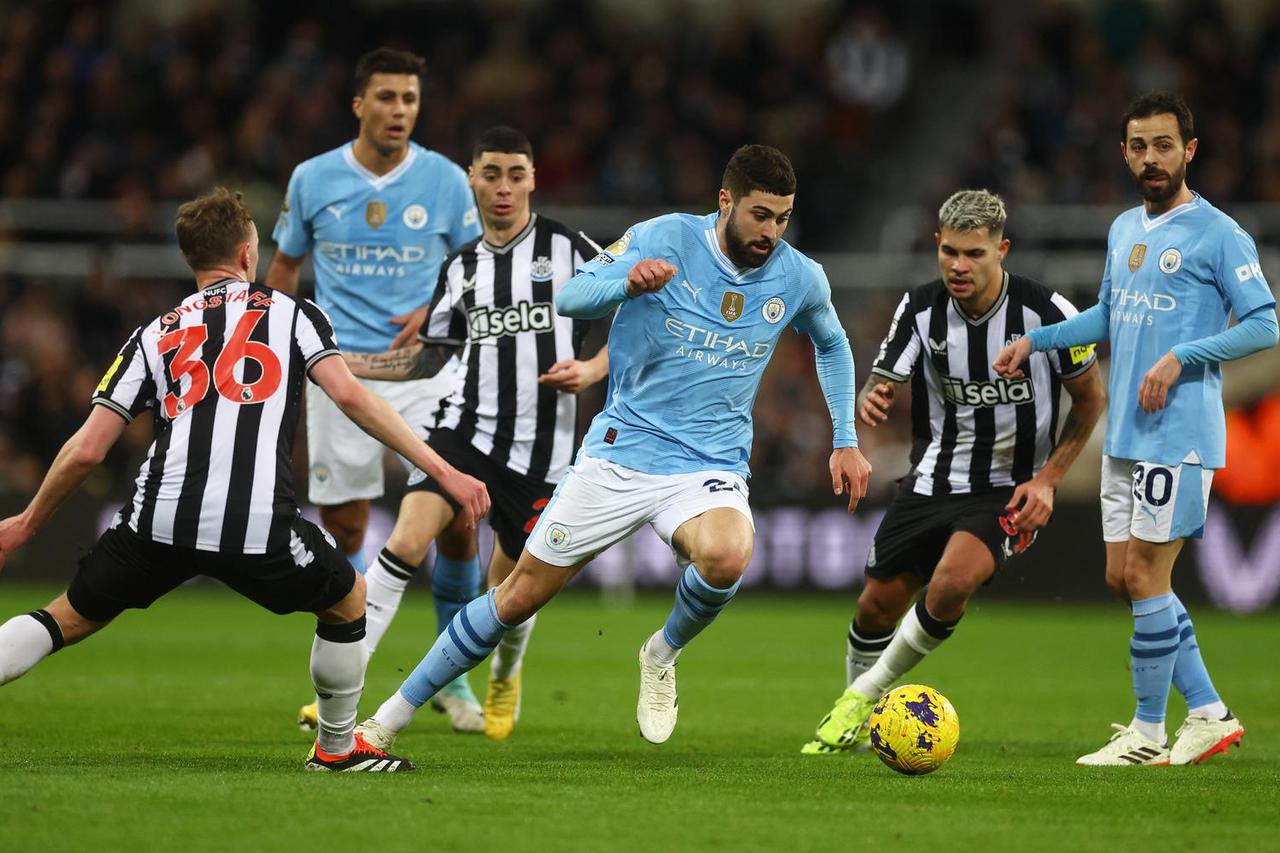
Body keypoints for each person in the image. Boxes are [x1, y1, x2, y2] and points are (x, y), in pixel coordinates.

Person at [353, 144, 874, 750]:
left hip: (709, 465)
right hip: (621, 452)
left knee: (729, 555)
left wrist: (845, 439)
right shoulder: (663, 237)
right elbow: (572, 297)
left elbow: (832, 344)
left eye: (783, 217)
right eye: (761, 214)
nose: (772, 231)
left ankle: (660, 653)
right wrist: (627, 281)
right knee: (516, 597)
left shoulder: (799, 275)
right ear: (726, 200)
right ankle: (387, 720)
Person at [0, 188, 489, 772]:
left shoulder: (154, 332)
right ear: (248, 253)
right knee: (349, 600)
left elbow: (86, 450)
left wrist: (27, 522)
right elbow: (352, 397)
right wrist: (444, 470)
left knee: (65, 618)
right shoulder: (292, 314)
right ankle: (336, 752)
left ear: (190, 260)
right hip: (255, 523)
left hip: (156, 520)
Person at [995, 92, 1278, 766]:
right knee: (1122, 576)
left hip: (1178, 434)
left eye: (1164, 145)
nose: (1152, 158)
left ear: (1190, 151)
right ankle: (1208, 710)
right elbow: (1108, 316)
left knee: (1148, 574)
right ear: (1124, 153)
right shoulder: (1125, 228)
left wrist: (1184, 355)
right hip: (1124, 434)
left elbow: (1265, 322)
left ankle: (1149, 734)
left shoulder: (1219, 234)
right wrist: (1036, 341)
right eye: (1139, 146)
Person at [801, 189, 1105, 755]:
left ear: (1002, 250)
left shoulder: (1046, 313)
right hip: (933, 478)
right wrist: (874, 395)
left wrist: (1048, 480)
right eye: (948, 253)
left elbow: (1091, 403)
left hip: (1007, 489)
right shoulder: (920, 308)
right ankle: (857, 729)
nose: (958, 267)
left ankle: (864, 695)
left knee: (952, 582)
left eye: (974, 254)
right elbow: (884, 376)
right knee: (874, 605)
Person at [341, 125, 609, 740]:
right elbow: (429, 357)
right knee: (407, 542)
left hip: (542, 454)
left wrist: (594, 367)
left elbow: (643, 314)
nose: (504, 187)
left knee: (511, 593)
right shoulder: (460, 266)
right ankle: (342, 687)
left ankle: (505, 674)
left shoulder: (568, 249)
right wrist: (339, 363)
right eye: (492, 174)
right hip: (464, 433)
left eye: (516, 174)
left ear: (534, 179)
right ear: (472, 179)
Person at [268, 47, 485, 730]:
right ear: (358, 104)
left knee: (455, 516)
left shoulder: (448, 182)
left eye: (410, 100)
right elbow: (284, 266)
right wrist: (282, 350)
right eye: (386, 98)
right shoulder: (313, 179)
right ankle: (350, 673)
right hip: (340, 374)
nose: (399, 111)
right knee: (349, 525)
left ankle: (455, 680)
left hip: (428, 373)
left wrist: (442, 305)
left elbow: (481, 266)